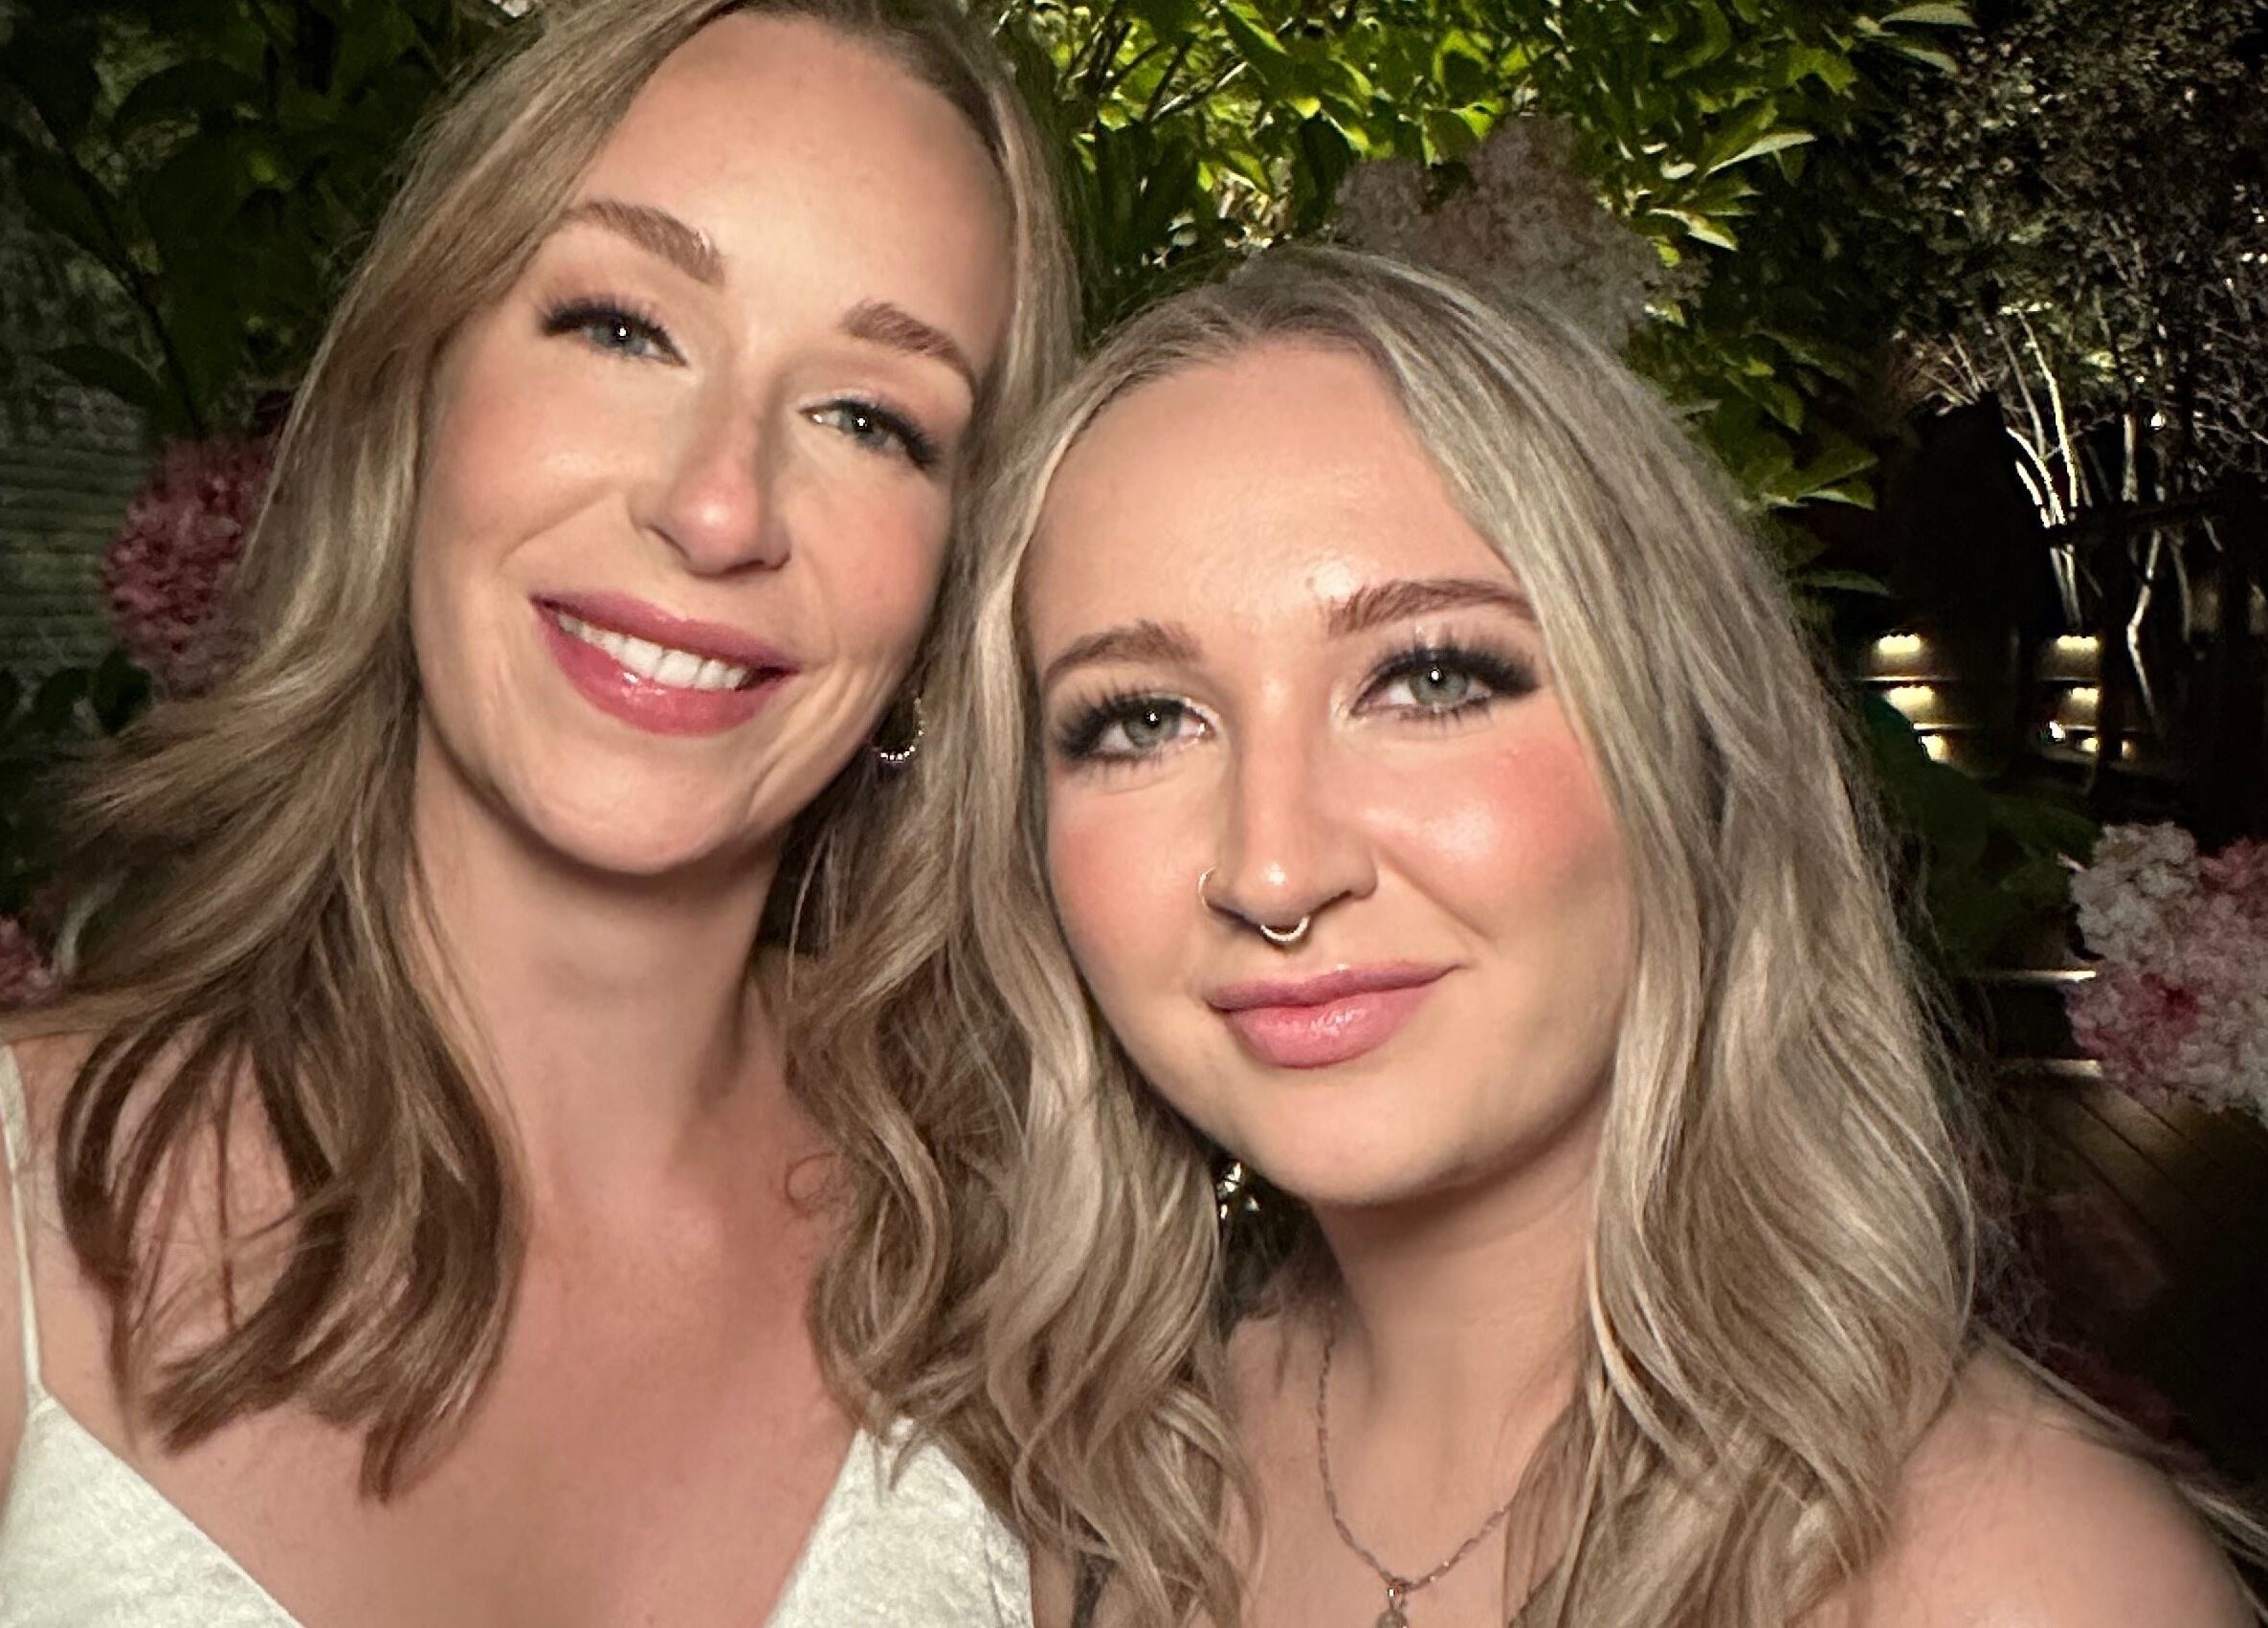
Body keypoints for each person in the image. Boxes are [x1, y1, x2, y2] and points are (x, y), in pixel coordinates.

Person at [807, 246, 2262, 1626]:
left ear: (1682, 742)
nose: (1271, 863)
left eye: (1429, 677)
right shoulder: (1095, 1492)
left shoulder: (2021, 1581)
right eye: (1139, 718)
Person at [0, 1, 1072, 1622]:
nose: (718, 508)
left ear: (953, 582)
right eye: (622, 327)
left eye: (871, 418)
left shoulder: (1027, 1267)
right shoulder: (20, 1222)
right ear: (417, 392)